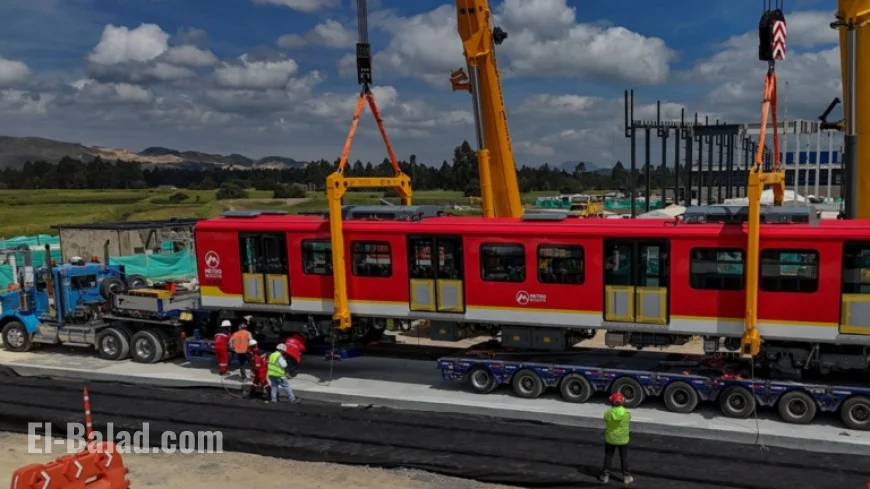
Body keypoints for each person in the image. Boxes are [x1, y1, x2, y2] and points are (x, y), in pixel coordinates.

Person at [600, 392, 633, 485]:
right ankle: (627, 477)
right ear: (622, 401)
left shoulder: (607, 413)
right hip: (623, 440)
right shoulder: (627, 413)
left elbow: (606, 419)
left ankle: (605, 476)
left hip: (610, 439)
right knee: (624, 458)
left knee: (608, 456)